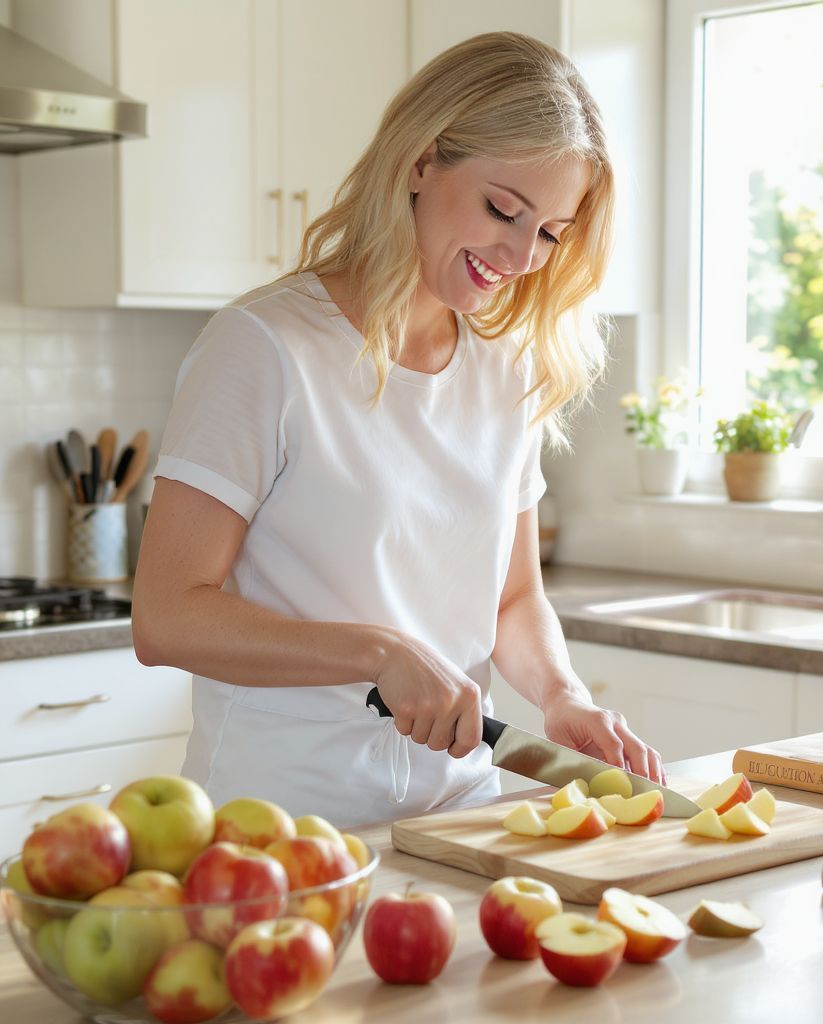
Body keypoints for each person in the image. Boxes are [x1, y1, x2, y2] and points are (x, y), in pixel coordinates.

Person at [132, 31, 665, 827]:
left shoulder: (508, 367)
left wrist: (562, 697)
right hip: (279, 827)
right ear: (420, 162)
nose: (522, 256)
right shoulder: (267, 347)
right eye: (504, 210)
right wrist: (380, 654)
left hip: (458, 818)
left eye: (552, 232)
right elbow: (166, 615)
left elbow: (513, 597)